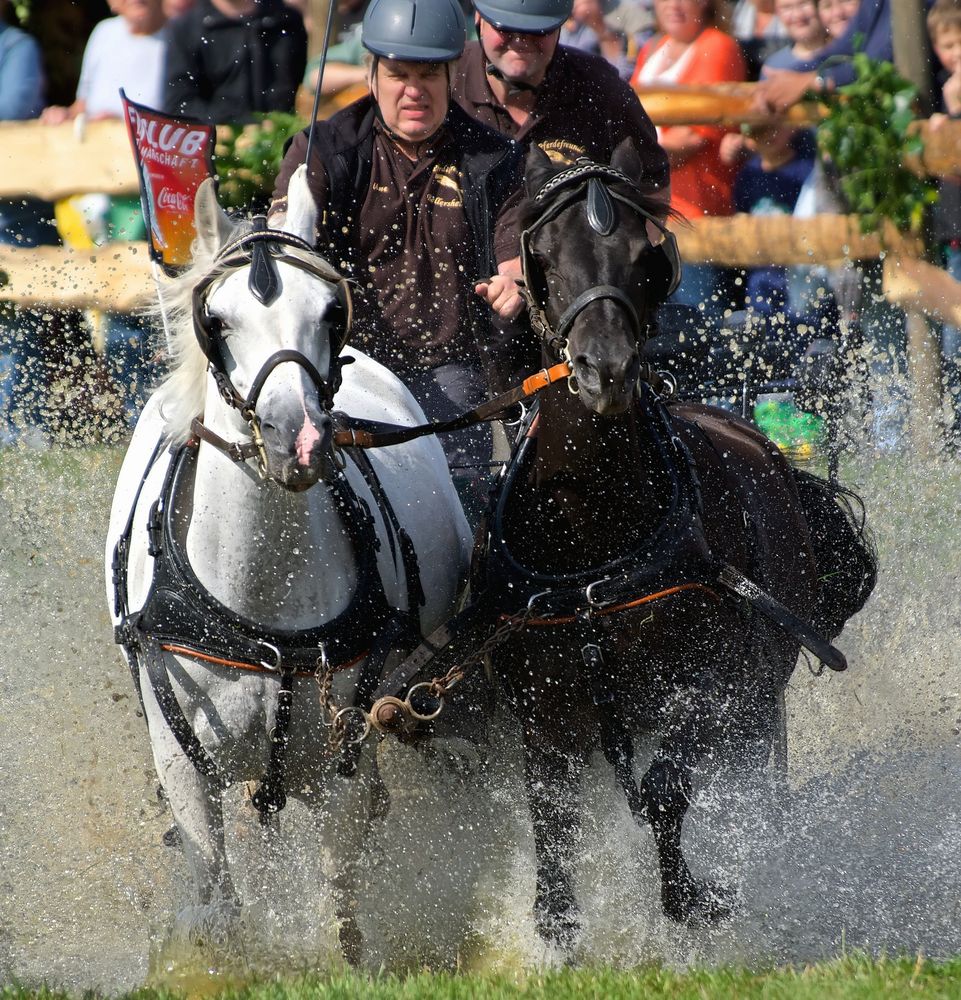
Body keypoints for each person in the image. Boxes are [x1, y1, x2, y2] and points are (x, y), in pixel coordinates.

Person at [269, 0, 521, 520]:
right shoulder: (324, 150)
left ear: (453, 74)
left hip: (452, 371)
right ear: (371, 73)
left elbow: (514, 243)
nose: (413, 89)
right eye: (398, 73)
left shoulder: (492, 159)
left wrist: (512, 280)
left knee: (455, 516)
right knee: (341, 514)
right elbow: (286, 241)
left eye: (429, 73)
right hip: (348, 368)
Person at [631, 0, 746, 320]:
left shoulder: (718, 46)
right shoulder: (653, 48)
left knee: (700, 322)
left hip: (696, 214)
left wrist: (633, 155)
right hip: (648, 212)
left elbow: (694, 138)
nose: (675, 5)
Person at [163, 0, 307, 124]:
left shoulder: (287, 21)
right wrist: (241, 124)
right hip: (218, 146)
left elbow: (305, 85)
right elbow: (178, 105)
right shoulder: (186, 29)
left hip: (283, 143)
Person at [928, 0, 961, 444]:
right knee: (953, 333)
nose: (955, 52)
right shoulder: (949, 88)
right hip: (954, 230)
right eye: (947, 45)